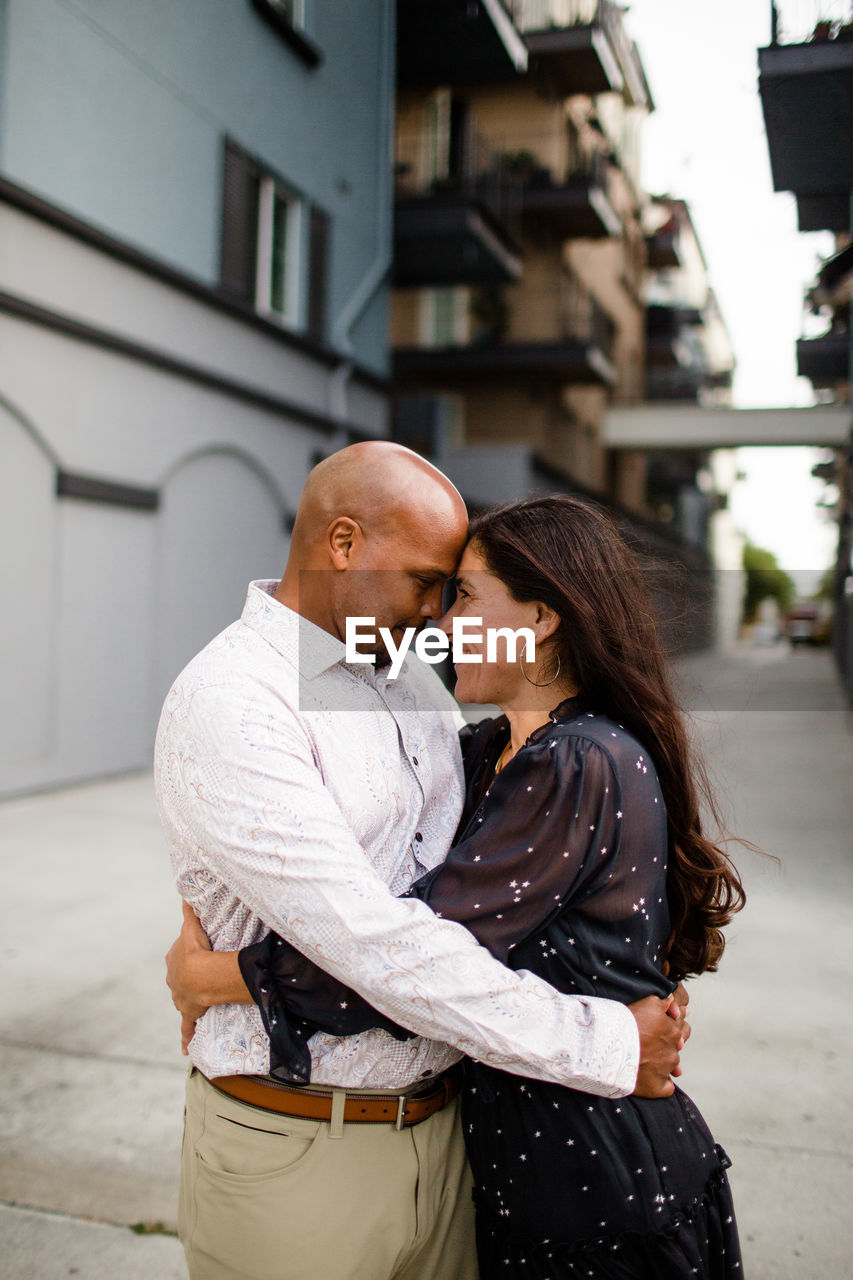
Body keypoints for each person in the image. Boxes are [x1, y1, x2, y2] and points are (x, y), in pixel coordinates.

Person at [168, 491, 743, 1279]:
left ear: (541, 618)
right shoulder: (481, 751)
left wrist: (218, 976)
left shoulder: (573, 761)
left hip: (589, 1181)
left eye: (462, 594)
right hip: (491, 1163)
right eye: (431, 587)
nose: (438, 623)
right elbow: (385, 930)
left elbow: (405, 955)